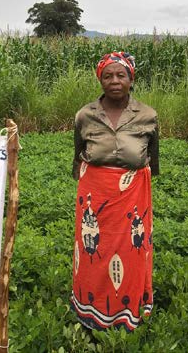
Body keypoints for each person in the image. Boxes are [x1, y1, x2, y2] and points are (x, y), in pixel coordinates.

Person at [70, 51, 159, 331]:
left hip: (132, 197)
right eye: (107, 75)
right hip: (95, 200)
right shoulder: (85, 115)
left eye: (121, 75)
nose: (115, 81)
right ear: (100, 79)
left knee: (131, 252)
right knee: (93, 251)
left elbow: (152, 159)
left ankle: (129, 309)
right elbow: (79, 154)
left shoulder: (147, 115)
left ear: (131, 78)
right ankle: (90, 309)